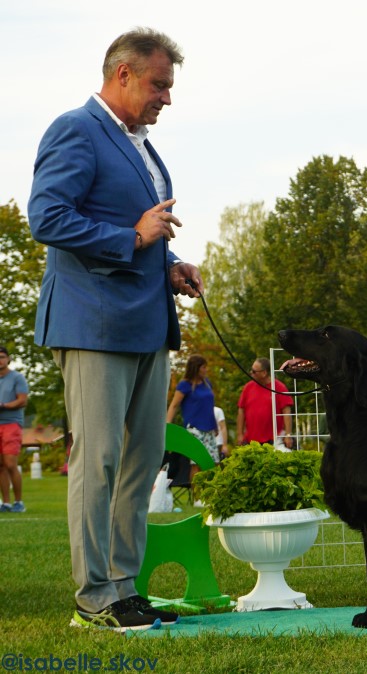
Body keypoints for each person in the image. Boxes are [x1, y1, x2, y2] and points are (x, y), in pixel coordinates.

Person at [27, 28, 204, 632]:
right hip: (94, 322)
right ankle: (93, 597)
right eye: (159, 85)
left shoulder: (143, 145)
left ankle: (124, 587)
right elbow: (47, 216)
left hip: (147, 321)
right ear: (122, 74)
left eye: (170, 87)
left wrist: (168, 266)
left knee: (142, 459)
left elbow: (142, 230)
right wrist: (131, 240)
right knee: (97, 461)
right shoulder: (75, 129)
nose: (167, 99)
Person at [166, 355, 220, 480]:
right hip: (194, 428)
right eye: (204, 367)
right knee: (197, 464)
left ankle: (210, 496)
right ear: (196, 368)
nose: (206, 370)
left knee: (214, 463)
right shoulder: (185, 385)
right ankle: (197, 498)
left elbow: (210, 406)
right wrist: (168, 425)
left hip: (209, 428)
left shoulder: (207, 384)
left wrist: (215, 425)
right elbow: (174, 405)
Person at [237, 358, 294, 451]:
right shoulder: (248, 387)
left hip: (274, 439)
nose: (251, 373)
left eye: (254, 371)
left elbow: (286, 412)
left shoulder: (279, 387)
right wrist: (240, 434)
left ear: (264, 373)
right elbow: (241, 411)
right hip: (251, 440)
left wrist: (288, 434)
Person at [0, 346, 29, 513]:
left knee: (10, 463)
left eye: (2, 356)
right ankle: (6, 503)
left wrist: (3, 406)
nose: (0, 360)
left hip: (12, 423)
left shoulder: (17, 377)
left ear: (8, 359)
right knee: (0, 466)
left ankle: (19, 502)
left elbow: (22, 400)